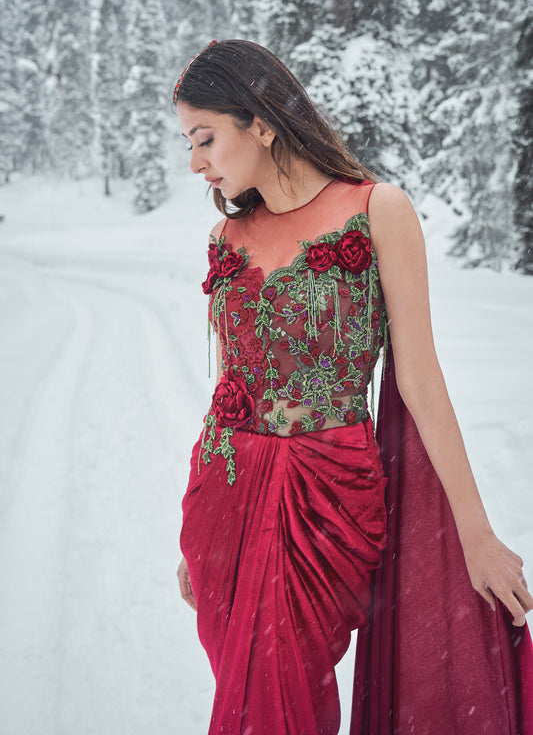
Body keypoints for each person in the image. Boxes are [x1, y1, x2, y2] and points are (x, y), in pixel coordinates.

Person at [174, 39, 533, 735]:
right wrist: (191, 540)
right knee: (245, 702)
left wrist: (475, 533)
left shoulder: (377, 209)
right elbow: (229, 386)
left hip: (325, 496)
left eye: (204, 137)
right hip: (222, 498)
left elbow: (420, 380)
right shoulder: (225, 235)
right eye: (189, 144)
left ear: (260, 122)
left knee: (281, 699)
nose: (195, 162)